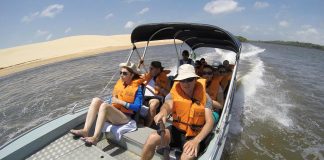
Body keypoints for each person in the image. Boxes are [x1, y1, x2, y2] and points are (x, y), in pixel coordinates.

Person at [141, 64, 214, 160]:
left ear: (195, 79)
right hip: (176, 131)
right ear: (178, 81)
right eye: (183, 80)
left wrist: (196, 141)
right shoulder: (173, 94)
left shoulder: (206, 97)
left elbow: (210, 122)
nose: (186, 83)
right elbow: (167, 105)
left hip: (194, 135)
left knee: (186, 157)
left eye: (190, 79)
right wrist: (163, 112)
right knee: (152, 138)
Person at [70, 62, 143, 145]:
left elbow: (137, 107)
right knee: (96, 100)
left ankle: (95, 138)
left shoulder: (138, 88)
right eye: (121, 73)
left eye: (125, 73)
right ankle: (85, 131)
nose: (121, 75)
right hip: (114, 113)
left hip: (125, 117)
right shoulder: (121, 84)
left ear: (132, 75)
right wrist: (110, 100)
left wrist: (120, 102)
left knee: (105, 106)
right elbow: (113, 98)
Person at [141, 61, 171, 127]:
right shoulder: (148, 75)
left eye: (151, 68)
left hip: (155, 98)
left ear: (158, 70)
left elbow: (168, 95)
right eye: (149, 68)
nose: (150, 70)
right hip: (143, 96)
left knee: (153, 105)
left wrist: (160, 88)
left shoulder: (166, 79)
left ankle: (147, 126)